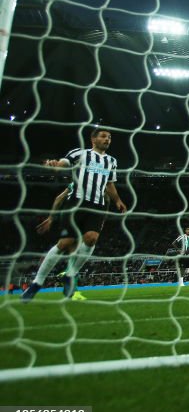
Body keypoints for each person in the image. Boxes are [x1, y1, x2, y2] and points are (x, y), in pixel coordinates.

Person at [23, 128, 128, 302]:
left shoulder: (111, 161)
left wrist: (117, 200)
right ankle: (37, 283)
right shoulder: (80, 153)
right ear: (93, 139)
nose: (107, 139)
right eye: (103, 136)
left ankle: (70, 275)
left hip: (97, 205)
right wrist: (57, 164)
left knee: (91, 238)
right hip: (77, 203)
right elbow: (65, 162)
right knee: (65, 243)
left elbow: (109, 183)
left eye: (109, 137)